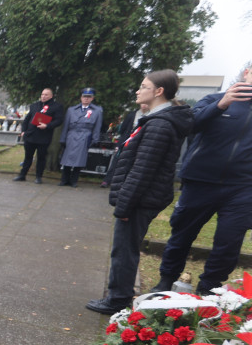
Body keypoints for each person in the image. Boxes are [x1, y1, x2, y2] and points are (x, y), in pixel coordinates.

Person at [86, 70, 193, 314]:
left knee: (124, 250)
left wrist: (125, 206)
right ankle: (119, 295)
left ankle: (118, 299)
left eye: (143, 86)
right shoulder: (156, 120)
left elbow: (142, 170)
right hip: (142, 197)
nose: (137, 90)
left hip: (140, 199)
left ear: (158, 91)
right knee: (124, 247)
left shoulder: (159, 125)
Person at [152, 62, 252, 295]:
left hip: (243, 188)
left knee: (229, 241)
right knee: (182, 233)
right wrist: (220, 105)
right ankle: (167, 280)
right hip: (200, 181)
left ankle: (209, 289)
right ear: (246, 72)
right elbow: (190, 125)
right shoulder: (214, 98)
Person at [14, 88, 65, 184]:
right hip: (30, 135)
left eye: (46, 95)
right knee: (27, 157)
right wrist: (24, 131)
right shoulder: (35, 105)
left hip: (44, 136)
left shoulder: (56, 107)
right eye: (42, 94)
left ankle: (38, 177)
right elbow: (27, 119)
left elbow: (59, 120)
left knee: (41, 158)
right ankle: (22, 175)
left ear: (51, 96)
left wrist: (47, 125)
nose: (43, 96)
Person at [59, 87, 103, 186]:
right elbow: (66, 125)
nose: (86, 99)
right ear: (81, 97)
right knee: (67, 159)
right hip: (71, 135)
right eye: (84, 96)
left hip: (84, 136)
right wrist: (63, 138)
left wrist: (95, 139)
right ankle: (64, 180)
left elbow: (97, 126)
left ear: (92, 98)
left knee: (79, 160)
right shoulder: (71, 110)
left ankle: (74, 181)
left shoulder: (97, 111)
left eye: (89, 97)